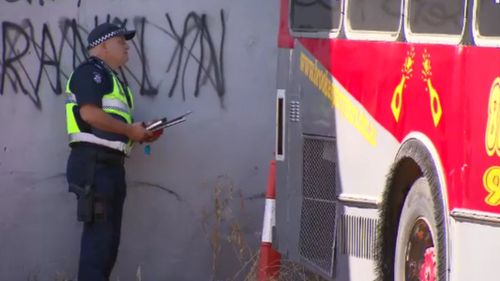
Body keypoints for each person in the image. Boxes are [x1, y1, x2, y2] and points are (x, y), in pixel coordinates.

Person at [64, 23, 162, 281]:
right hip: (94, 166)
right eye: (121, 41)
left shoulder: (112, 78)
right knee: (99, 247)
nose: (127, 46)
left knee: (107, 246)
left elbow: (114, 125)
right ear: (103, 45)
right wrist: (130, 131)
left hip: (109, 167)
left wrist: (139, 131)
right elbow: (89, 114)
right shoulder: (91, 72)